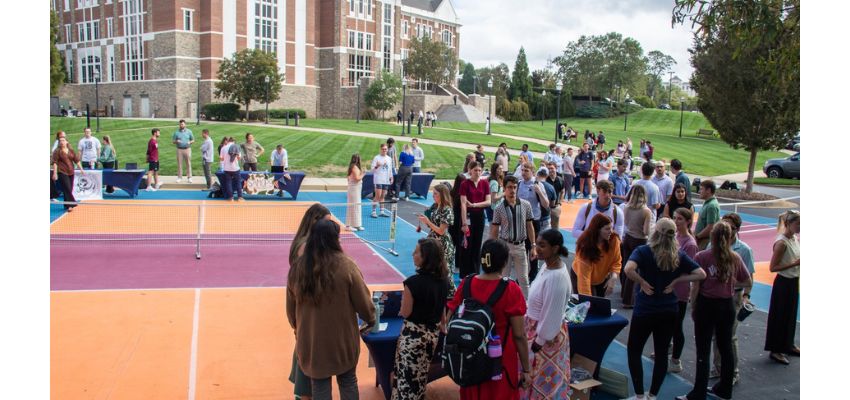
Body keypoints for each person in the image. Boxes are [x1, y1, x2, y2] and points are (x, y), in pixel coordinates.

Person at [286, 219, 376, 400]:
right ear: (334, 240)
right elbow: (364, 305)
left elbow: (290, 309)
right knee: (348, 381)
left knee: (319, 385)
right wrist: (371, 319)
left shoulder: (298, 268)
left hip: (311, 341)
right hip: (343, 340)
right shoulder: (347, 266)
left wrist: (298, 329)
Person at [624, 218, 705, 400]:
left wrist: (642, 282)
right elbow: (701, 274)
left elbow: (628, 269)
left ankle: (639, 394)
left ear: (655, 232)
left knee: (634, 350)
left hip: (645, 309)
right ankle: (653, 395)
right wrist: (677, 281)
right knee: (661, 354)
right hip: (668, 309)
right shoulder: (678, 255)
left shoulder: (644, 251)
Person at [446, 239, 532, 400]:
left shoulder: (466, 283)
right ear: (505, 262)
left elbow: (449, 320)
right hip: (500, 363)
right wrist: (526, 369)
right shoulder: (511, 289)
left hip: (470, 359)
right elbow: (519, 335)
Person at [677, 222, 752, 400]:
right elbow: (747, 281)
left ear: (712, 236)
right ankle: (725, 388)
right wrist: (730, 285)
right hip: (727, 305)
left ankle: (699, 391)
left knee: (703, 349)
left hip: (707, 304)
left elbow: (696, 285)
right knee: (725, 347)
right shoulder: (734, 257)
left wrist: (694, 306)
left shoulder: (703, 256)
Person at [391, 238, 451, 400]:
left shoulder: (412, 283)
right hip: (431, 337)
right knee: (420, 379)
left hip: (413, 338)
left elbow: (405, 312)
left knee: (405, 381)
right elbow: (442, 309)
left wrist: (402, 308)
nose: (413, 254)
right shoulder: (444, 281)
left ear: (426, 258)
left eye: (417, 252)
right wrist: (444, 325)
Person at [287, 204, 333, 400]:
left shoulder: (304, 242)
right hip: (309, 308)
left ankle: (303, 392)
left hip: (305, 309)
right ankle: (304, 394)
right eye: (327, 223)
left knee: (305, 352)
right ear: (316, 221)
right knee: (308, 354)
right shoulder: (306, 247)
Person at [523, 229, 572, 399]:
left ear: (556, 248)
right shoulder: (546, 266)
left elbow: (552, 314)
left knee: (540, 385)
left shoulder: (556, 278)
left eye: (543, 246)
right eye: (537, 244)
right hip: (535, 330)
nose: (537, 249)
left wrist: (538, 342)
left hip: (544, 339)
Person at [708, 213, 755, 383]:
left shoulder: (743, 250)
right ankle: (717, 367)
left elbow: (749, 277)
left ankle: (733, 372)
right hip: (714, 296)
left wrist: (746, 296)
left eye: (731, 228)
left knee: (729, 336)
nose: (727, 231)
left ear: (737, 230)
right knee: (715, 334)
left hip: (733, 296)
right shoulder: (711, 246)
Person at [490, 175, 536, 297]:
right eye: (509, 187)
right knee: (503, 278)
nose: (512, 190)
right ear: (504, 189)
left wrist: (533, 246)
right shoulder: (499, 208)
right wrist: (493, 249)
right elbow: (494, 229)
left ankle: (526, 306)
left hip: (520, 246)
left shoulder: (526, 205)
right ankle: (503, 304)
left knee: (524, 279)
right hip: (505, 246)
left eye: (515, 187)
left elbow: (530, 226)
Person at [764, 210, 800, 365]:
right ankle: (776, 350)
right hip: (783, 283)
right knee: (779, 316)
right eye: (798, 224)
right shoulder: (781, 243)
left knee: (790, 314)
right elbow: (773, 267)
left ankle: (788, 344)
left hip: (793, 281)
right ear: (788, 224)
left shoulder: (794, 238)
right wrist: (795, 263)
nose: (800, 227)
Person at [670, 207, 699, 373]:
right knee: (667, 323)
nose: (676, 221)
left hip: (680, 290)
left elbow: (691, 270)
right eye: (675, 217)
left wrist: (675, 276)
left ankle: (676, 360)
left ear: (688, 221)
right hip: (669, 286)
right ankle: (668, 348)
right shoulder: (674, 237)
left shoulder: (690, 244)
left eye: (680, 218)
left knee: (676, 326)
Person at [620, 185, 654, 308]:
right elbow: (646, 231)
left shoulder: (626, 207)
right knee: (634, 270)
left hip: (628, 237)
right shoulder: (646, 211)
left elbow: (626, 223)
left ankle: (623, 293)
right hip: (639, 240)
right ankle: (628, 300)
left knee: (626, 266)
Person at [573, 213, 622, 297]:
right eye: (607, 229)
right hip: (581, 276)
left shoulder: (614, 239)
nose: (611, 231)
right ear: (597, 230)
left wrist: (613, 278)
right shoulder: (585, 247)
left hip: (601, 278)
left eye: (611, 228)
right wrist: (587, 302)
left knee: (599, 305)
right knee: (586, 305)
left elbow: (616, 261)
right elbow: (584, 280)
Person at [418, 185, 456, 291]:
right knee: (431, 267)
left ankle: (451, 295)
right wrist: (425, 220)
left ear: (442, 195)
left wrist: (428, 222)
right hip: (433, 241)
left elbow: (441, 231)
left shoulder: (447, 209)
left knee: (445, 270)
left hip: (443, 244)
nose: (433, 196)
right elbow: (433, 226)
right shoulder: (436, 207)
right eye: (433, 193)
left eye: (435, 194)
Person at [518, 162, 549, 279]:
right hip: (520, 220)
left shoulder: (537, 184)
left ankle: (534, 273)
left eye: (526, 171)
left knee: (533, 247)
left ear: (532, 172)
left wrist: (539, 191)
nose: (524, 173)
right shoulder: (519, 184)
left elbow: (546, 204)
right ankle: (523, 274)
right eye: (522, 170)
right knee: (522, 248)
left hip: (534, 221)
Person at [460, 161, 491, 278]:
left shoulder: (485, 183)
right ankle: (465, 273)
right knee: (467, 244)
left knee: (477, 244)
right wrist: (464, 223)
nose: (477, 172)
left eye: (479, 170)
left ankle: (475, 271)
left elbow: (488, 202)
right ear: (470, 171)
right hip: (468, 217)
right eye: (475, 170)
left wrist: (473, 205)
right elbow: (463, 204)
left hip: (479, 217)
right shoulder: (465, 184)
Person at [51, 136, 84, 211]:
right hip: (62, 172)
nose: (62, 142)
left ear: (66, 142)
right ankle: (71, 205)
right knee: (67, 188)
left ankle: (66, 204)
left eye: (63, 140)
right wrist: (55, 173)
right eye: (60, 141)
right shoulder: (57, 151)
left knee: (69, 189)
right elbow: (55, 163)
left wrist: (81, 169)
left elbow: (77, 160)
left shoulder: (71, 151)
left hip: (71, 172)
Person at [449, 173, 468, 275]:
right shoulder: (462, 193)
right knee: (459, 243)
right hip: (460, 219)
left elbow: (450, 205)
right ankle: (457, 265)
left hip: (454, 220)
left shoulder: (452, 193)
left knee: (453, 243)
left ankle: (451, 264)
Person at [694, 179, 719, 249]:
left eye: (701, 189)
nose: (699, 191)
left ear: (708, 190)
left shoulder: (711, 206)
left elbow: (711, 227)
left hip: (705, 242)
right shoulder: (707, 203)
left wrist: (697, 236)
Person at [371, 143, 394, 218]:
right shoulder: (376, 158)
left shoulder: (389, 159)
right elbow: (372, 170)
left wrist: (391, 177)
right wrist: (378, 165)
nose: (384, 150)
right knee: (377, 196)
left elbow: (390, 169)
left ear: (387, 150)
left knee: (383, 196)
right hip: (378, 179)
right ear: (380, 149)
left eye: (385, 149)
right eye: (383, 149)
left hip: (386, 180)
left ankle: (382, 211)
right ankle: (374, 211)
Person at [346, 154, 366, 231]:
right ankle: (349, 225)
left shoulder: (355, 167)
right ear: (357, 159)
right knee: (353, 206)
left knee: (357, 206)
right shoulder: (354, 167)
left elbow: (349, 178)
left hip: (356, 189)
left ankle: (357, 224)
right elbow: (357, 178)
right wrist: (364, 173)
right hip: (354, 190)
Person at [545, 162, 564, 230]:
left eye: (552, 168)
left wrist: (559, 203)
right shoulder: (545, 180)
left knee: (555, 227)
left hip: (555, 207)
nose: (550, 170)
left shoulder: (560, 180)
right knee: (545, 227)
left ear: (556, 168)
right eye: (548, 169)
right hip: (545, 207)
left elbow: (562, 192)